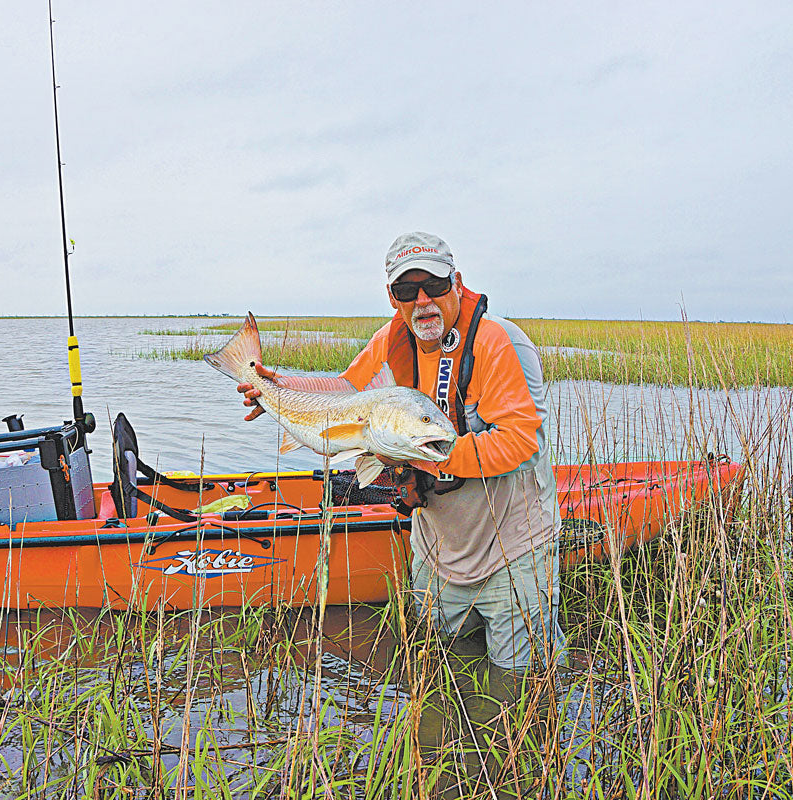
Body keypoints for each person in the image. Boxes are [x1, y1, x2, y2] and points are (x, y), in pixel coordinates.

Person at [237, 231, 564, 672]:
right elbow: (345, 390)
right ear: (393, 297)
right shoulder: (392, 340)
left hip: (513, 551)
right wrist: (277, 388)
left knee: (520, 684)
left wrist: (418, 454)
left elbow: (519, 440)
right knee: (439, 672)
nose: (422, 301)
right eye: (407, 290)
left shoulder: (499, 343)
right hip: (437, 550)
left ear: (458, 283)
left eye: (435, 286)